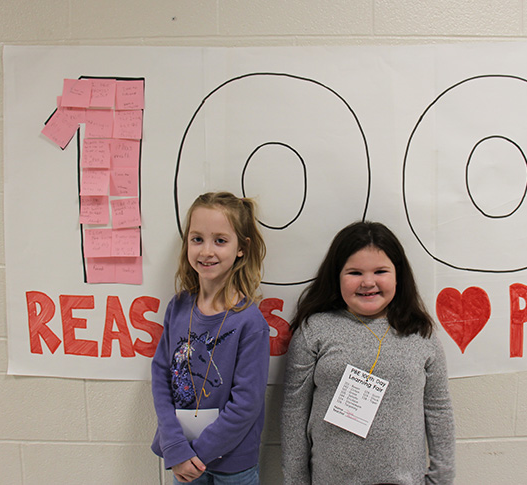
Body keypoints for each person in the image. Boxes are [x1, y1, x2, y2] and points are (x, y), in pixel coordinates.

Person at [281, 221, 455, 485]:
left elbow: (439, 410)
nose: (368, 282)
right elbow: (294, 412)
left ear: (398, 275)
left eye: (380, 271)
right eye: (354, 272)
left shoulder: (421, 334)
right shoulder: (314, 330)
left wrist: (441, 479)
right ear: (337, 275)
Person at [151, 191, 269, 485]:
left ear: (242, 248)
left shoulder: (250, 321)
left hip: (232, 465)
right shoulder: (178, 307)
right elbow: (161, 376)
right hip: (183, 457)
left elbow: (246, 403)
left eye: (220, 240)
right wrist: (176, 449)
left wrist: (200, 455)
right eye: (197, 239)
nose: (206, 251)